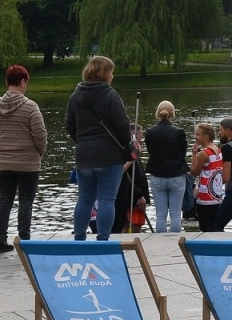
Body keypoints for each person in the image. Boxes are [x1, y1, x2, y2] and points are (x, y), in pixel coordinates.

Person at [65, 55, 132, 242]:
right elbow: (123, 127)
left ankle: (79, 238)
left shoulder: (75, 96)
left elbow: (70, 125)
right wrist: (126, 144)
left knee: (84, 199)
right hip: (109, 156)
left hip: (84, 155)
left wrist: (81, 142)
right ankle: (102, 239)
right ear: (105, 74)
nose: (112, 76)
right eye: (111, 72)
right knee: (106, 200)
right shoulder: (110, 95)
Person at [0, 64, 47, 253]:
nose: (26, 86)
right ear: (22, 82)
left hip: (3, 163)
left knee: (4, 199)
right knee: (26, 201)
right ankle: (24, 241)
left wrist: (1, 149)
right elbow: (40, 134)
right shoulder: (30, 107)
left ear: (7, 82)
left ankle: (1, 241)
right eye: (26, 83)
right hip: (28, 164)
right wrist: (39, 152)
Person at [144, 100, 189, 234]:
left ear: (158, 113)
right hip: (176, 175)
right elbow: (183, 152)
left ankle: (160, 242)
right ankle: (175, 242)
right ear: (172, 114)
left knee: (160, 215)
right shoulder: (179, 132)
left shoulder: (150, 132)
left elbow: (150, 150)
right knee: (175, 214)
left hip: (157, 175)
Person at [112, 125, 150, 233]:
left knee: (138, 223)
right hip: (131, 195)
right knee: (129, 224)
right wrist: (132, 159)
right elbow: (122, 170)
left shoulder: (136, 151)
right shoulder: (126, 151)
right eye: (140, 134)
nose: (141, 136)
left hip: (138, 192)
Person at [191, 122, 223, 232]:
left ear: (206, 136)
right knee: (213, 225)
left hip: (205, 197)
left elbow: (194, 172)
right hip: (216, 195)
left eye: (198, 134)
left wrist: (194, 154)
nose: (196, 137)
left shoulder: (204, 153)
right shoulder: (218, 150)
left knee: (205, 227)